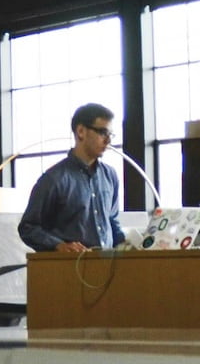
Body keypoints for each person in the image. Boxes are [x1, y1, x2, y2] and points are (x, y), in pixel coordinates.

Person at [18, 102, 124, 255]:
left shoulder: (110, 175)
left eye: (110, 135)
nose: (108, 141)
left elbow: (112, 220)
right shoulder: (54, 179)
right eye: (102, 133)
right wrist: (59, 245)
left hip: (107, 265)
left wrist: (130, 244)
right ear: (81, 131)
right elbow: (28, 228)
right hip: (69, 268)